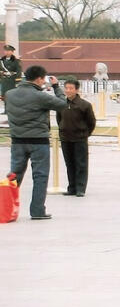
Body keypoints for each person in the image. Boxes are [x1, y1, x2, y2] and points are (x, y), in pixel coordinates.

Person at [6, 65, 68, 220]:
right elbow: (62, 104)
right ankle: (37, 210)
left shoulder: (10, 94)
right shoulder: (40, 96)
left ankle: (6, 206)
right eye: (43, 79)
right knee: (40, 176)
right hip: (38, 141)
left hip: (17, 141)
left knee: (14, 175)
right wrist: (56, 86)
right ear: (40, 78)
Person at [56, 78, 96, 197]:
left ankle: (80, 188)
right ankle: (71, 187)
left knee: (81, 164)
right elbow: (59, 120)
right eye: (66, 88)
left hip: (79, 138)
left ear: (77, 90)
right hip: (65, 138)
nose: (68, 91)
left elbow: (91, 122)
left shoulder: (84, 105)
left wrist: (85, 133)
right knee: (69, 164)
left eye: (71, 88)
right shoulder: (62, 104)